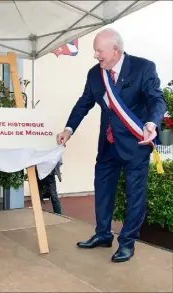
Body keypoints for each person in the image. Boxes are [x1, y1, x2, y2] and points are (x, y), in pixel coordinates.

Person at [56, 28, 166, 263]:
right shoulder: (95, 74)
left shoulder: (143, 68)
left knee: (135, 195)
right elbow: (83, 103)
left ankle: (127, 243)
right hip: (108, 144)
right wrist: (69, 129)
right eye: (95, 50)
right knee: (103, 190)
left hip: (136, 142)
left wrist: (151, 124)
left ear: (115, 50)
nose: (96, 55)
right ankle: (103, 234)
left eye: (99, 50)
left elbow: (156, 99)